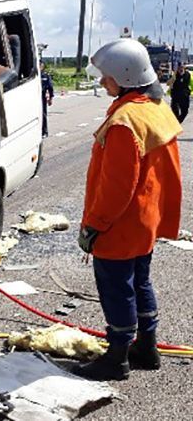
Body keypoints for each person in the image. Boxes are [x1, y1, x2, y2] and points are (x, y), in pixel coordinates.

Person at [76, 39, 182, 381]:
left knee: (117, 288)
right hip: (145, 219)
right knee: (140, 283)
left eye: (107, 77)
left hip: (120, 225)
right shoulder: (154, 108)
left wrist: (94, 225)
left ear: (123, 76)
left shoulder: (125, 122)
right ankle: (146, 348)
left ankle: (118, 355)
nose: (104, 82)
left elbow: (116, 188)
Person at [40, 62, 54, 138]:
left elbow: (50, 87)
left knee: (43, 114)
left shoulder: (45, 76)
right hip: (34, 96)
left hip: (42, 96)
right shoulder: (34, 75)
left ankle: (44, 131)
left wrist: (50, 98)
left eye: (41, 66)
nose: (40, 67)